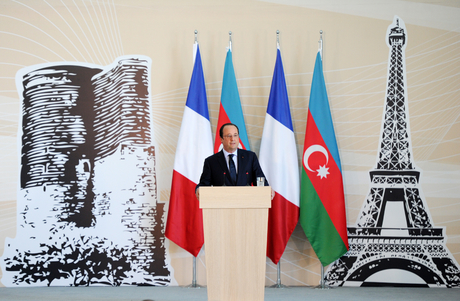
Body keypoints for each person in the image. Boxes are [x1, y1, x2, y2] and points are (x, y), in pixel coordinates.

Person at [195, 123, 269, 199]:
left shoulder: (250, 157)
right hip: (221, 205)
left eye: (235, 135)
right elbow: (204, 184)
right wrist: (199, 190)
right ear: (221, 139)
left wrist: (267, 189)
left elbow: (260, 180)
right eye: (229, 136)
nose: (233, 139)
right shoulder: (211, 162)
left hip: (246, 203)